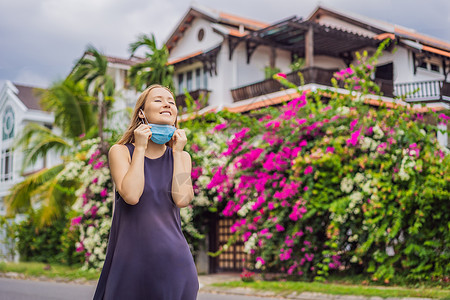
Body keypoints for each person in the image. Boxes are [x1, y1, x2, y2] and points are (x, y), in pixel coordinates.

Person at [93, 84, 199, 300]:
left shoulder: (182, 156)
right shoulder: (121, 151)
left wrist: (178, 153)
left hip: (175, 264)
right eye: (158, 100)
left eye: (171, 101)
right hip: (132, 264)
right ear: (142, 112)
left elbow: (183, 199)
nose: (167, 103)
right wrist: (140, 148)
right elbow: (131, 195)